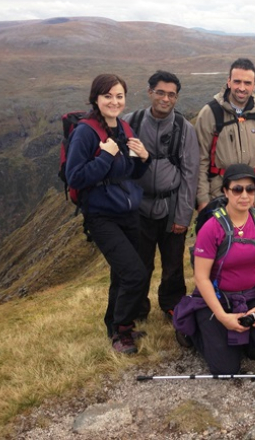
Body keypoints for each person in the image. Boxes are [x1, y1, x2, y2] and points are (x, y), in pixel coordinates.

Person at [66, 74, 151, 354]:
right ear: (96, 99)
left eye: (119, 96)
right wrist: (104, 156)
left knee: (122, 274)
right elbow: (75, 177)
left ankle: (114, 327)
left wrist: (143, 159)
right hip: (101, 216)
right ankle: (122, 332)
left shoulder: (124, 128)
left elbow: (129, 173)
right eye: (108, 96)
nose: (114, 102)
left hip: (128, 211)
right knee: (135, 273)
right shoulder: (85, 132)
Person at [190, 164, 255, 374]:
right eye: (237, 189)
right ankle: (194, 330)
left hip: (250, 296)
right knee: (226, 370)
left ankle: (245, 341)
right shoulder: (211, 227)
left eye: (250, 189)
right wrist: (222, 316)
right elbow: (201, 277)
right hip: (218, 298)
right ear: (225, 191)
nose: (245, 195)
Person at [122, 70, 199, 321]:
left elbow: (190, 174)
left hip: (172, 206)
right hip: (138, 208)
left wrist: (183, 216)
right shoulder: (130, 123)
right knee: (140, 263)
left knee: (173, 264)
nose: (166, 99)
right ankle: (137, 310)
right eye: (161, 93)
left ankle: (172, 305)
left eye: (171, 95)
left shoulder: (184, 129)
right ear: (150, 92)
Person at [195, 58, 255, 221]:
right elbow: (200, 160)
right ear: (228, 82)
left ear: (254, 85)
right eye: (237, 82)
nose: (242, 88)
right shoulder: (209, 113)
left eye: (247, 83)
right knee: (222, 245)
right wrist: (203, 199)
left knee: (254, 245)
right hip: (219, 198)